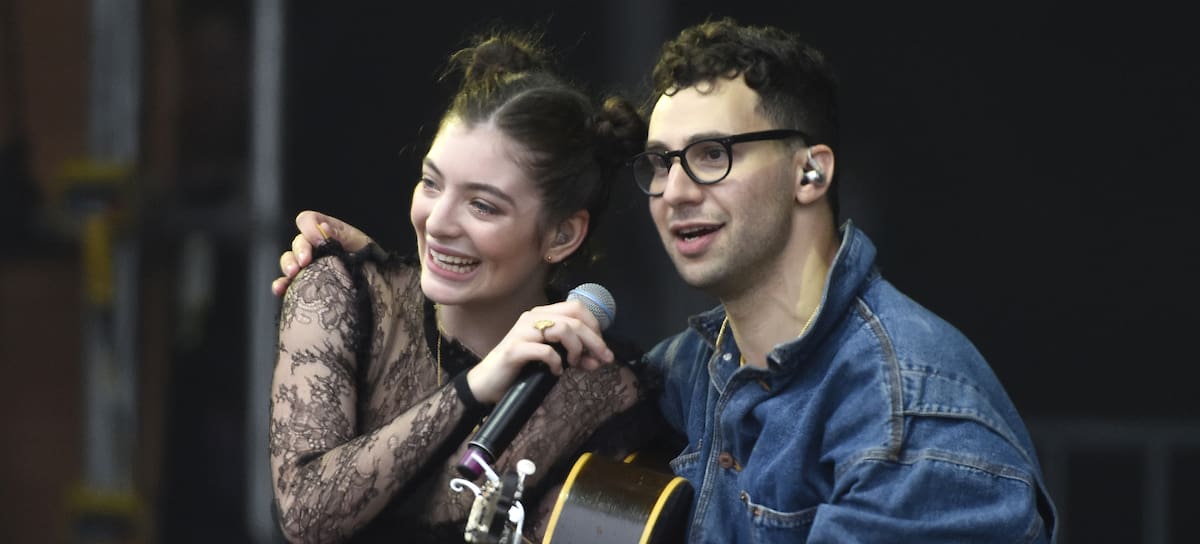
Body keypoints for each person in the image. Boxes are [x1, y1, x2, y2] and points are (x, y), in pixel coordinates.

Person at [275, 17, 1058, 543]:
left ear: (810, 171)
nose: (678, 190)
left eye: (713, 155)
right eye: (661, 163)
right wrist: (397, 274)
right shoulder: (689, 369)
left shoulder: (908, 418)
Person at [268, 29, 657, 543]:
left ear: (562, 235)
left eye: (483, 205)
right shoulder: (342, 296)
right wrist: (476, 386)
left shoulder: (604, 392)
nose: (439, 222)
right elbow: (307, 515)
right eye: (431, 183)